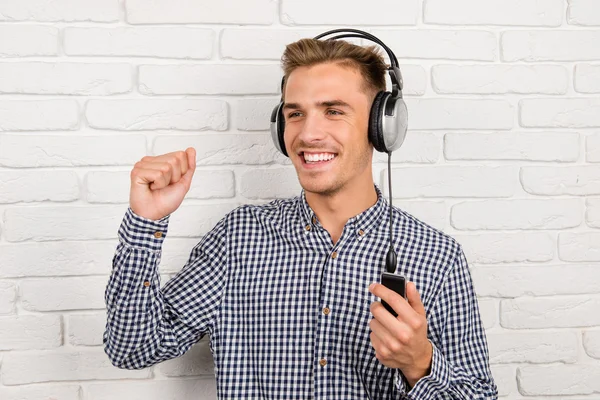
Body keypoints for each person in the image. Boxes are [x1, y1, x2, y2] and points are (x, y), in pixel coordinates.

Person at [104, 30, 498, 399]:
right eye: (295, 114)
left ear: (382, 126)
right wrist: (146, 223)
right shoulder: (239, 237)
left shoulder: (437, 257)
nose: (308, 134)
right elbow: (133, 348)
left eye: (333, 111)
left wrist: (420, 364)